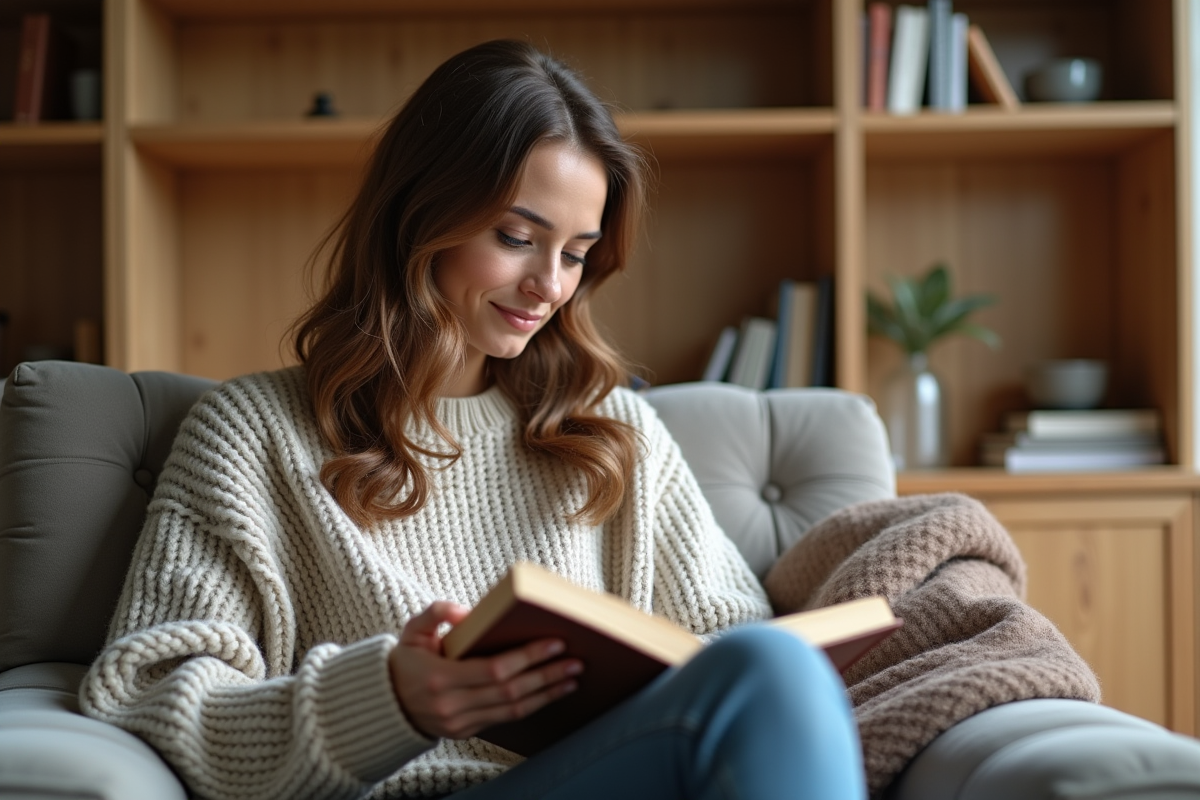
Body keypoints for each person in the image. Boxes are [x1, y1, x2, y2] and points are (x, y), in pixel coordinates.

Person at [80, 39, 864, 800]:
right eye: (517, 238)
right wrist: (388, 701)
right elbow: (148, 696)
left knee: (772, 666)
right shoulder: (250, 433)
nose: (548, 286)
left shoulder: (613, 431)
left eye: (575, 253)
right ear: (420, 217)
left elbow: (731, 632)